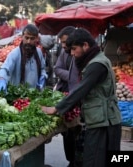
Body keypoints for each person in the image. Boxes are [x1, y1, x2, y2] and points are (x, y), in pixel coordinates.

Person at [42, 28, 121, 167]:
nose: (72, 54)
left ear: (85, 45)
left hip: (103, 123)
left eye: (74, 49)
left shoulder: (97, 65)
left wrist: (56, 108)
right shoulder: (97, 59)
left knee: (96, 162)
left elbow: (80, 90)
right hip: (106, 119)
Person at [54, 26, 81, 167]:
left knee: (78, 132)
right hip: (64, 94)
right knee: (68, 132)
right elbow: (56, 69)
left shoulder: (81, 55)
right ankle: (71, 160)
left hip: (76, 98)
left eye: (65, 42)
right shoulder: (64, 53)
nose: (63, 46)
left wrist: (71, 78)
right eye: (62, 43)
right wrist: (69, 76)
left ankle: (76, 161)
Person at [0, 24, 47, 92]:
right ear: (22, 37)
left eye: (32, 38)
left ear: (36, 38)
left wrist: (43, 76)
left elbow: (42, 69)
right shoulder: (15, 53)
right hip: (18, 95)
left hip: (35, 94)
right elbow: (5, 68)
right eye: (26, 38)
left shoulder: (39, 53)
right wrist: (2, 80)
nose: (28, 41)